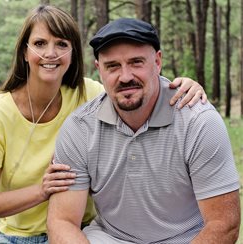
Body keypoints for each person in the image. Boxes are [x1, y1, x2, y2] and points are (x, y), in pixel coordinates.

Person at [0, 5, 207, 244]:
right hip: (18, 237)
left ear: (73, 53)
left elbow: (135, 90)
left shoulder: (91, 94)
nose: (50, 53)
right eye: (40, 43)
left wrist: (182, 85)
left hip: (80, 231)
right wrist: (41, 191)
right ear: (24, 52)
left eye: (61, 44)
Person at [47, 18, 241, 244]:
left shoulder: (199, 122)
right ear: (99, 69)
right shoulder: (79, 128)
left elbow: (224, 224)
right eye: (113, 66)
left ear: (157, 62)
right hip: (111, 239)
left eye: (136, 62)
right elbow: (62, 222)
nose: (125, 76)